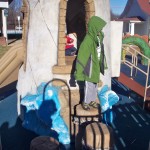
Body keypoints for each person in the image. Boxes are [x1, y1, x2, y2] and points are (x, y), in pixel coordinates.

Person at [74, 16, 107, 110]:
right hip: (90, 66)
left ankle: (92, 100)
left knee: (95, 84)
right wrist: (78, 72)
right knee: (89, 85)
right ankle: (85, 102)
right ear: (94, 27)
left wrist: (102, 64)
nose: (100, 30)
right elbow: (82, 57)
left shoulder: (97, 38)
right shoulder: (88, 40)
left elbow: (101, 52)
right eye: (99, 28)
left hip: (96, 65)